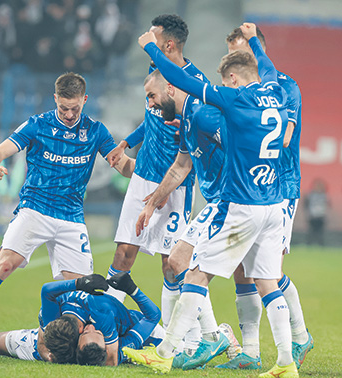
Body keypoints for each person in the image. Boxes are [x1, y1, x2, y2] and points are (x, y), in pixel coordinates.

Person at [124, 23, 298, 378]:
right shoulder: (275, 92)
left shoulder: (234, 99)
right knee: (267, 282)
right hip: (272, 204)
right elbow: (264, 64)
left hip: (240, 204)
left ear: (234, 78)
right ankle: (285, 362)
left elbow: (185, 82)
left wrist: (151, 50)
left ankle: (166, 351)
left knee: (197, 272)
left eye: (227, 80)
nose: (225, 86)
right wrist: (253, 40)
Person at [0, 72, 134, 357]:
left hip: (71, 217)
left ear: (84, 100)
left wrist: (152, 173)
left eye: (74, 108)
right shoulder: (37, 125)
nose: (68, 114)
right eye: (63, 107)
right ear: (55, 99)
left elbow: (124, 166)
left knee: (79, 294)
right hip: (35, 209)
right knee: (4, 264)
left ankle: (64, 349)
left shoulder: (96, 131)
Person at [217, 26, 313, 371]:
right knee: (243, 269)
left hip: (279, 186)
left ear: (258, 52)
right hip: (250, 190)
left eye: (240, 50)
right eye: (230, 52)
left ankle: (300, 336)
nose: (232, 58)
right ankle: (251, 350)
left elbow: (284, 136)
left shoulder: (284, 87)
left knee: (267, 272)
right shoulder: (241, 90)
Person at [105, 14, 208, 335]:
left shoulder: (195, 84)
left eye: (153, 36)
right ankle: (104, 321)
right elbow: (150, 117)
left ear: (168, 44)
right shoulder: (156, 74)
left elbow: (192, 143)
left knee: (171, 264)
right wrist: (127, 142)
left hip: (176, 184)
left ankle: (183, 335)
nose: (146, 39)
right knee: (123, 253)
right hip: (143, 177)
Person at [134, 69, 242, 369]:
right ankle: (219, 340)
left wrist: (241, 191)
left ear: (170, 87)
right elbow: (180, 167)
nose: (152, 104)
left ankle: (198, 341)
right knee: (182, 264)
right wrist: (151, 204)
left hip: (229, 200)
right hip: (221, 200)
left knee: (180, 261)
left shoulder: (205, 115)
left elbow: (238, 149)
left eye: (153, 96)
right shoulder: (188, 120)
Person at [0, 273, 163, 366]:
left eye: (91, 333)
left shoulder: (101, 320)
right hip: (61, 342)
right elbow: (46, 291)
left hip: (126, 330)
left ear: (80, 335)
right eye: (93, 331)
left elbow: (109, 360)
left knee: (168, 344)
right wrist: (78, 283)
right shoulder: (57, 321)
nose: (92, 329)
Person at [304, 179, 329, 245]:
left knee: (320, 232)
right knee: (311, 231)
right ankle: (309, 244)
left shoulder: (324, 195)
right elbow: (306, 204)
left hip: (321, 216)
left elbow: (328, 204)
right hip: (313, 216)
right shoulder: (310, 195)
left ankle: (321, 244)